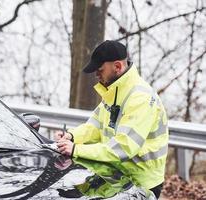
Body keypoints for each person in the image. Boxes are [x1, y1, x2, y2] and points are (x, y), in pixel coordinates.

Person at [55, 40, 169, 199]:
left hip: (141, 184)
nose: (96, 75)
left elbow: (122, 148)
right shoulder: (113, 91)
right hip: (114, 175)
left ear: (117, 66)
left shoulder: (140, 98)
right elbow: (94, 126)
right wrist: (72, 136)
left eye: (100, 70)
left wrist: (76, 149)